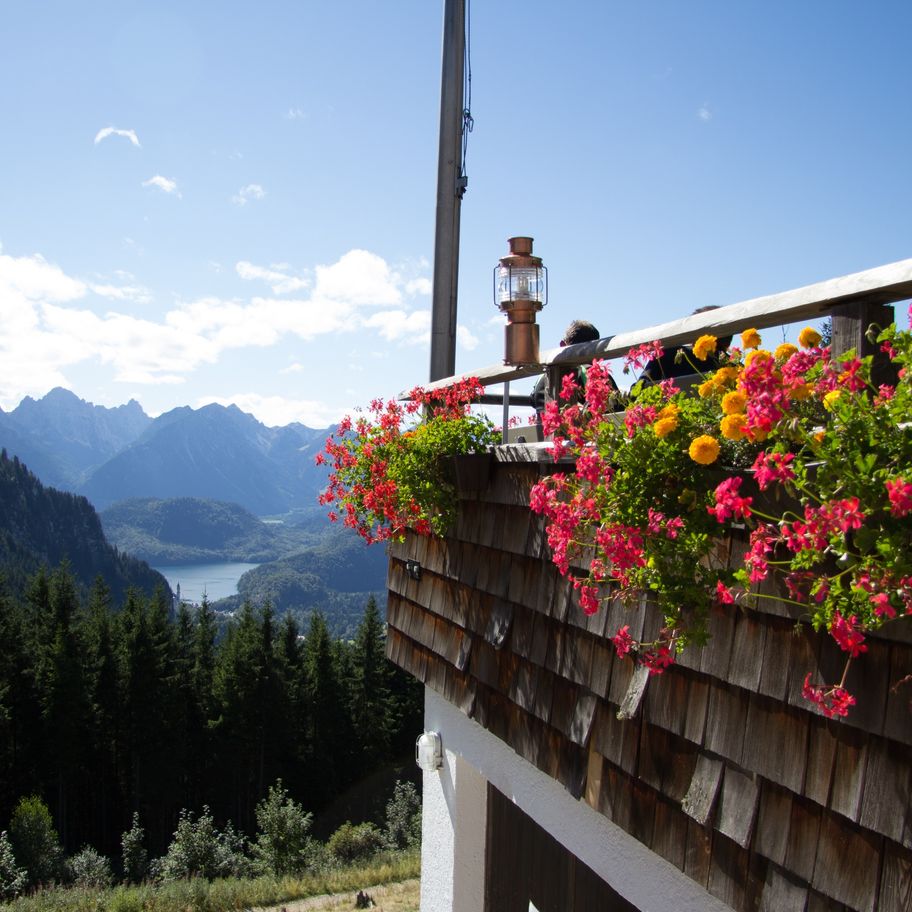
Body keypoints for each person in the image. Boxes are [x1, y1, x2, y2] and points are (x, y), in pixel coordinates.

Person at [530, 320, 617, 428]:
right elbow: (617, 412)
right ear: (598, 349)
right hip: (584, 440)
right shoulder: (594, 373)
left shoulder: (542, 378)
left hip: (544, 441)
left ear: (562, 345)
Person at [638, 306, 732, 388]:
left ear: (691, 336)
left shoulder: (668, 354)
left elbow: (637, 391)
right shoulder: (736, 370)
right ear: (728, 342)